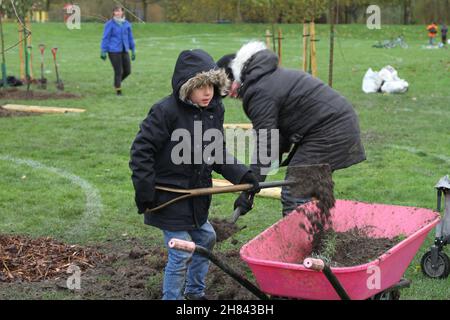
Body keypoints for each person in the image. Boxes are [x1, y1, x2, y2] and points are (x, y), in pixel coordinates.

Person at [129, 49, 258, 300]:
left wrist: (243, 176)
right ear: (186, 86)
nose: (207, 92)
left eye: (211, 85)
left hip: (197, 198)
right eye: (200, 87)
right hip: (168, 197)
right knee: (182, 250)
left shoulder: (214, 110)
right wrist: (146, 192)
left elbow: (216, 152)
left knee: (206, 238)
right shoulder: (165, 111)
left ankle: (194, 293)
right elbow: (141, 152)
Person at [217, 42, 366, 217]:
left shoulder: (259, 92)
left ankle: (300, 242)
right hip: (331, 126)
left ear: (236, 76)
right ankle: (320, 237)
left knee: (294, 192)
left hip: (329, 130)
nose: (230, 95)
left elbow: (267, 143)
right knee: (309, 189)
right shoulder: (266, 80)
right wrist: (252, 187)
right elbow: (277, 139)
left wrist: (250, 188)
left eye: (229, 88)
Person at [100, 6, 136, 96]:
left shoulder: (127, 24)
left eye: (119, 11)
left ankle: (116, 83)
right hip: (113, 50)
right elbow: (105, 38)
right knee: (118, 71)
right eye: (116, 11)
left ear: (122, 12)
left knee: (128, 71)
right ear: (113, 13)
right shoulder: (110, 24)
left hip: (124, 50)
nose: (117, 13)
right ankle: (118, 90)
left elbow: (130, 38)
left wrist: (133, 50)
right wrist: (103, 50)